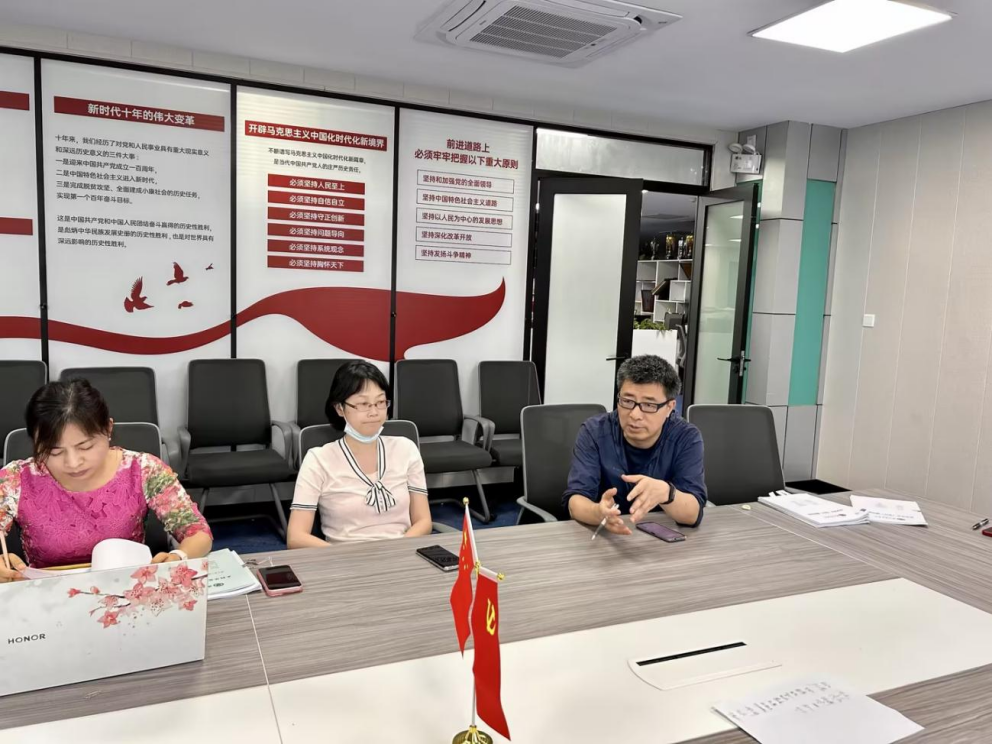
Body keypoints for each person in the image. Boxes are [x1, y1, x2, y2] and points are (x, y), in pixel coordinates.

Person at [0, 379, 212, 582]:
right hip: (45, 594)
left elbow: (197, 531)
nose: (73, 463)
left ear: (108, 428)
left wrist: (179, 557)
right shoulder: (15, 479)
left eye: (85, 447)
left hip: (125, 589)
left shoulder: (144, 469)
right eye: (54, 452)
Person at [287, 360, 432, 547]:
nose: (374, 412)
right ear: (340, 408)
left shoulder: (406, 449)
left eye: (380, 402)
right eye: (363, 404)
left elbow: (423, 521)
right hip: (344, 557)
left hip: (401, 551)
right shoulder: (318, 460)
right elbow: (296, 537)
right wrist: (345, 558)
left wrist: (397, 550)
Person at [564, 355, 706, 535]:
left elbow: (692, 514)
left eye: (649, 405)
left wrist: (667, 493)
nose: (635, 414)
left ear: (670, 407)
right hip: (606, 537)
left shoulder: (685, 437)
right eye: (628, 401)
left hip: (659, 538)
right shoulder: (595, 432)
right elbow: (575, 502)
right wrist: (598, 513)